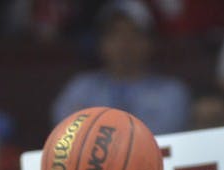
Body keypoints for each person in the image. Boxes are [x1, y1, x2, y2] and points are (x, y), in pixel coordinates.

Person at [51, 0, 192, 136]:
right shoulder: (80, 87)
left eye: (134, 33)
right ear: (101, 43)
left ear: (150, 42)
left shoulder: (172, 92)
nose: (124, 43)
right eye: (114, 34)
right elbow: (67, 132)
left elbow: (158, 138)